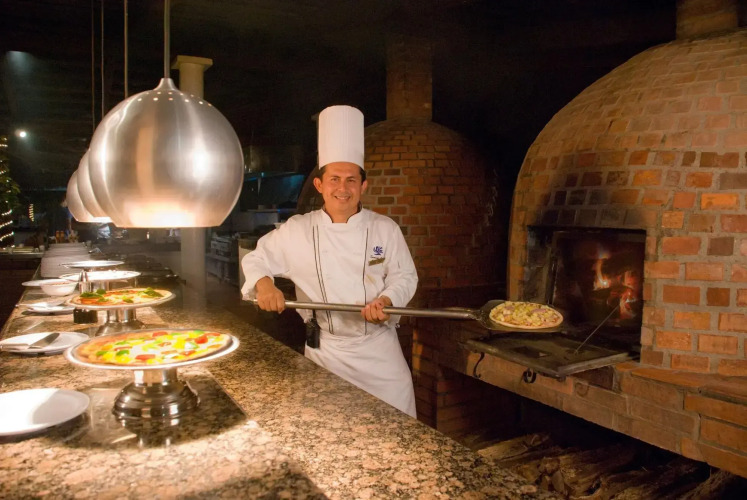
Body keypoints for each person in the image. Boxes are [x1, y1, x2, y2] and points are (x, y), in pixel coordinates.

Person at [241, 105, 418, 417]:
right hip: (327, 354)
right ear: (320, 185)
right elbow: (257, 258)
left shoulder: (384, 228)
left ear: (363, 186)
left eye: (351, 180)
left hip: (380, 354)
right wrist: (265, 285)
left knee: (398, 426)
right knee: (331, 429)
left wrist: (388, 299)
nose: (343, 188)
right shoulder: (298, 230)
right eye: (334, 179)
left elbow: (405, 276)